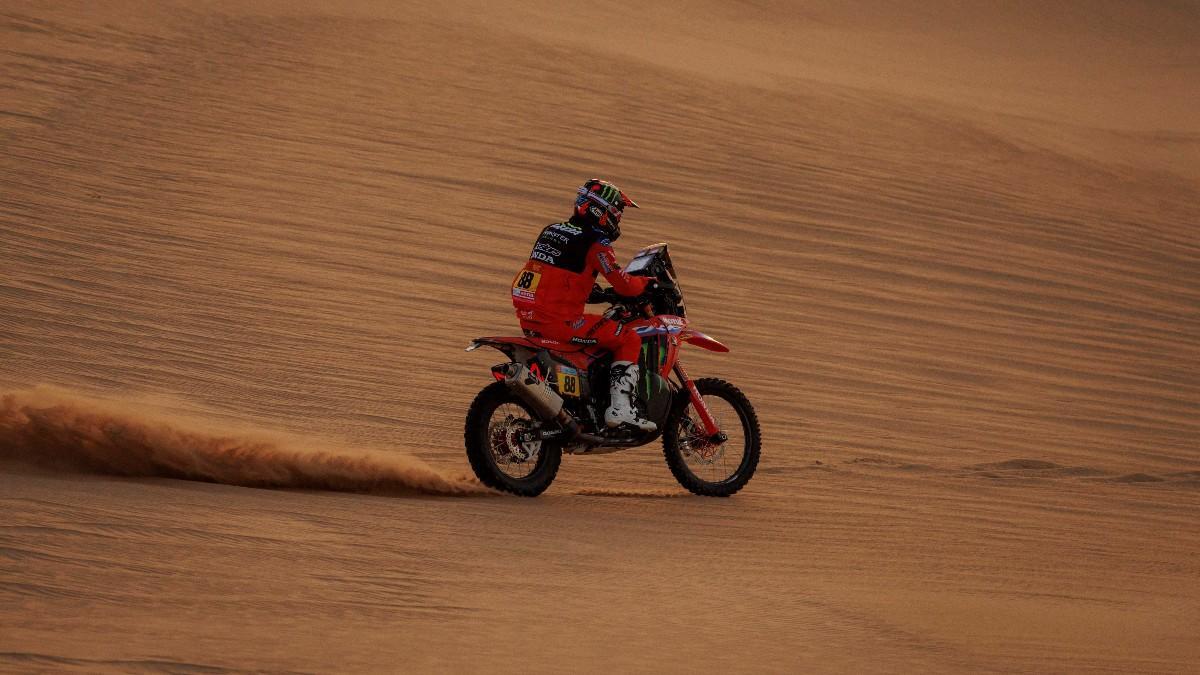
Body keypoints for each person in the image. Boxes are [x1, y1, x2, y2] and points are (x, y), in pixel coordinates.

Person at [511, 179, 657, 432]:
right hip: (560, 323)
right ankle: (620, 409)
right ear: (600, 211)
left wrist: (598, 294)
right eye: (616, 212)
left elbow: (558, 274)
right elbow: (624, 284)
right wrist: (646, 283)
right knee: (628, 339)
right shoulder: (595, 242)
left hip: (530, 319)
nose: (618, 219)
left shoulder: (552, 230)